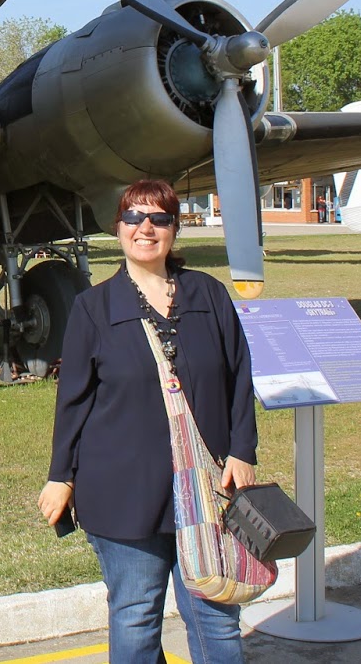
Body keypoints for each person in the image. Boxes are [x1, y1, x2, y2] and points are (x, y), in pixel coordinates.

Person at [38, 178, 258, 664]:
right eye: (134, 217)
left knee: (216, 614)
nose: (146, 227)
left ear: (174, 229)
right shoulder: (94, 308)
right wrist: (61, 476)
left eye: (159, 218)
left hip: (206, 487)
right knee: (136, 614)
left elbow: (240, 375)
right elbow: (72, 401)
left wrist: (243, 450)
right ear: (118, 229)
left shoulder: (209, 295)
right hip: (122, 488)